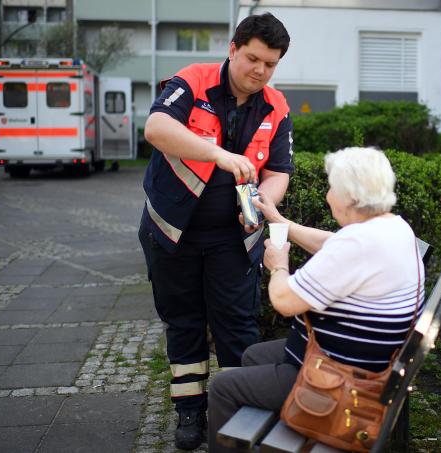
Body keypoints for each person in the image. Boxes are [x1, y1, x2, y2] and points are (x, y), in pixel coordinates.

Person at [138, 13, 293, 451]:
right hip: (173, 233)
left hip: (233, 238)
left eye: (270, 64)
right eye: (253, 59)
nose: (260, 70)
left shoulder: (277, 106)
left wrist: (263, 202)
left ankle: (241, 413)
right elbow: (156, 128)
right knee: (183, 322)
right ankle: (190, 412)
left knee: (236, 326)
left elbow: (278, 171)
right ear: (233, 48)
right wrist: (219, 155)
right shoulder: (193, 81)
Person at [207, 147, 427, 453]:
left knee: (221, 388)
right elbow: (331, 243)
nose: (327, 196)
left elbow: (284, 300)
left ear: (351, 198)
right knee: (254, 356)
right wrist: (278, 219)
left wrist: (278, 265)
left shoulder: (357, 245)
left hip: (337, 377)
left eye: (332, 188)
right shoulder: (392, 227)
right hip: (360, 360)